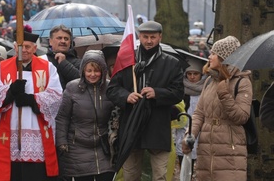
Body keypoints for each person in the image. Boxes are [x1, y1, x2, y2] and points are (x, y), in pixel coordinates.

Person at [106, 21, 184, 181]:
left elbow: (178, 93)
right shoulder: (127, 59)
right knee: (130, 175)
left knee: (160, 175)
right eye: (145, 37)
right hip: (131, 123)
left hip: (158, 125)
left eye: (153, 37)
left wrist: (157, 93)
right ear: (139, 37)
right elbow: (112, 89)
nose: (149, 41)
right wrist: (126, 96)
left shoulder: (172, 63)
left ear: (160, 37)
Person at [0, 28, 63, 180]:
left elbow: (56, 95)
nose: (24, 51)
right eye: (20, 47)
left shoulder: (48, 68)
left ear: (35, 48)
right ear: (14, 47)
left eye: (28, 47)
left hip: (36, 127)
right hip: (10, 128)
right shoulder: (1, 68)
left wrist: (31, 99)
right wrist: (10, 92)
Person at [183, 35, 251, 180]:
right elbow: (199, 113)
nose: (210, 56)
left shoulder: (242, 82)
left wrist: (224, 94)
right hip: (206, 154)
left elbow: (241, 117)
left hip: (230, 154)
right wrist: (190, 135)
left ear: (224, 57)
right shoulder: (209, 81)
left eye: (214, 53)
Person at [55, 50, 115, 181]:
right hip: (78, 148)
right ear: (83, 71)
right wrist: (61, 142)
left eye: (96, 71)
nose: (92, 75)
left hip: (103, 148)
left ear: (103, 71)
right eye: (89, 71)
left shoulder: (110, 88)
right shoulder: (72, 88)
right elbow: (62, 118)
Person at [175, 64, 205, 176]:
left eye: (195, 74)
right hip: (183, 129)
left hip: (200, 130)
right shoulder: (181, 89)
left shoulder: (206, 89)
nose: (192, 77)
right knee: (184, 162)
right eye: (189, 74)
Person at [44, 25, 80, 90]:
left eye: (66, 39)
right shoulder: (43, 60)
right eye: (59, 38)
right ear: (50, 41)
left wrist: (64, 63)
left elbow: (80, 81)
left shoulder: (78, 62)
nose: (63, 41)